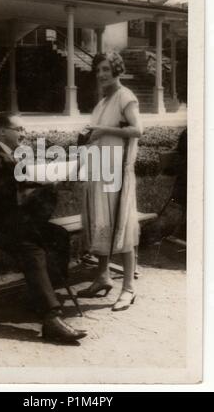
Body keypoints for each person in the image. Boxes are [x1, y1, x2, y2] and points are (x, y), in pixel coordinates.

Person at [0, 113, 86, 343]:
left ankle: (42, 298)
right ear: (2, 131)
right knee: (31, 247)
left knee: (59, 236)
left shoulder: (18, 156)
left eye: (23, 129)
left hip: (19, 222)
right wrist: (20, 180)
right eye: (19, 129)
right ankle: (50, 318)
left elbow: (26, 190)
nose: (24, 133)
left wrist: (47, 183)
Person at [77, 50, 143, 311]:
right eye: (98, 70)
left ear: (117, 69)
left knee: (122, 227)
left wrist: (103, 130)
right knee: (103, 225)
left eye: (106, 69)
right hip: (101, 170)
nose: (101, 74)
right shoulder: (103, 102)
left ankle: (128, 288)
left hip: (117, 173)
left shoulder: (125, 96)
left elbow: (137, 130)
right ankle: (103, 277)